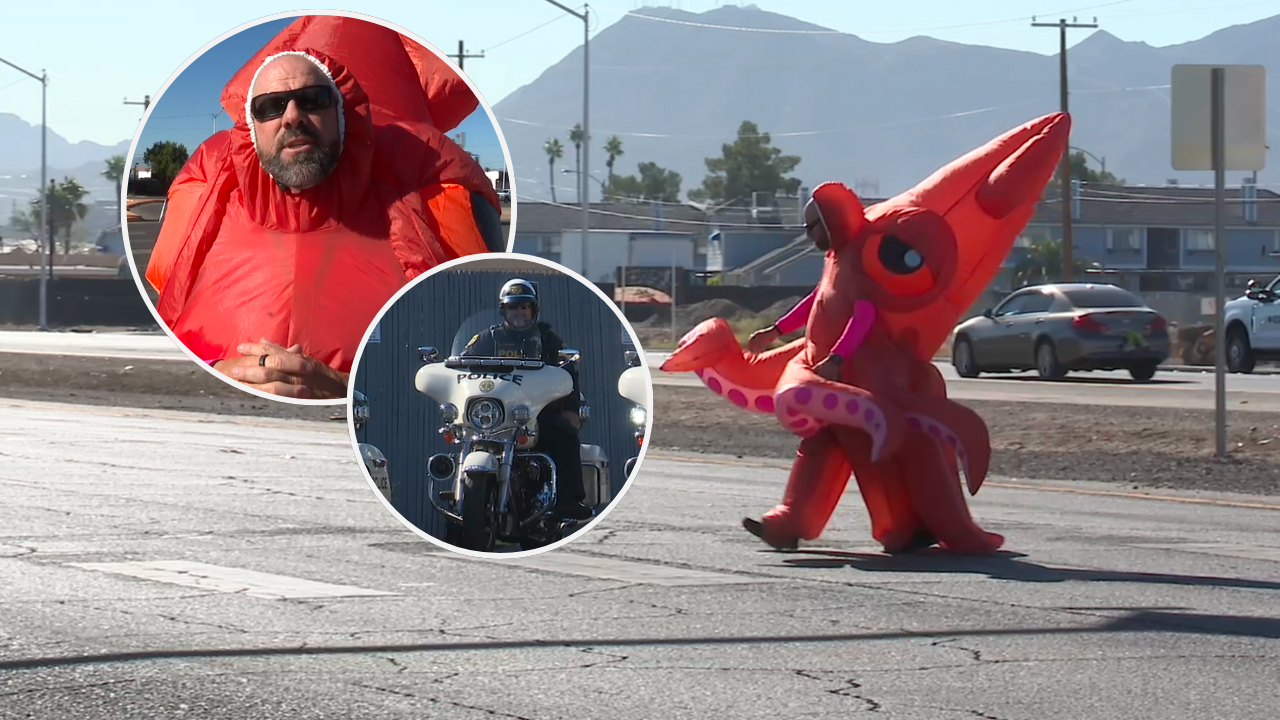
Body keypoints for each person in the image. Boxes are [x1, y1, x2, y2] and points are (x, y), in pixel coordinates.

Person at [144, 15, 503, 400]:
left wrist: (354, 391)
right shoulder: (207, 181)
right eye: (270, 106)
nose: (292, 116)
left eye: (314, 100)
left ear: (344, 113)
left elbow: (471, 364)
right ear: (250, 126)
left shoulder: (439, 181)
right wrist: (218, 373)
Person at [461, 279, 594, 521]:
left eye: (524, 306)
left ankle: (569, 499)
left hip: (537, 413)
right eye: (513, 307)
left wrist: (571, 410)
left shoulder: (548, 340)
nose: (519, 312)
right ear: (504, 310)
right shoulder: (487, 338)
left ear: (533, 310)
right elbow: (460, 363)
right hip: (496, 415)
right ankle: (463, 502)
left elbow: (569, 374)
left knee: (564, 435)